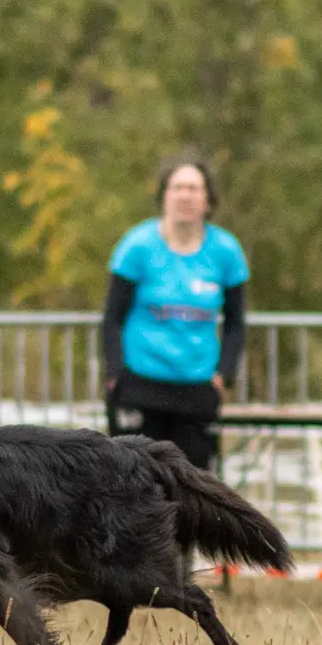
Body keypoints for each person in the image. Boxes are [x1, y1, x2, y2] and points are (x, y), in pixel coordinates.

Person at [101, 158, 249, 471]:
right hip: (141, 384)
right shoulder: (137, 246)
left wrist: (224, 375)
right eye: (178, 187)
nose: (185, 196)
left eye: (194, 189)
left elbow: (236, 323)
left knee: (194, 490)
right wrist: (115, 375)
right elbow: (112, 318)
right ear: (165, 196)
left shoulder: (225, 251)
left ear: (207, 200)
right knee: (133, 487)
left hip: (196, 389)